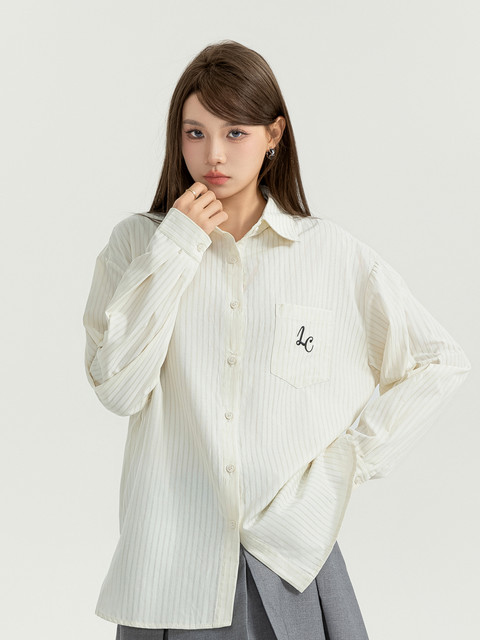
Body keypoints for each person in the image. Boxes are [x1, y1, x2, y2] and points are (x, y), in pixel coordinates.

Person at [82, 40, 471, 639]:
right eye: (195, 133)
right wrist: (179, 245)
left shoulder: (330, 256)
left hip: (286, 565)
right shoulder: (138, 245)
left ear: (274, 135)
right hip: (170, 573)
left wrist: (345, 464)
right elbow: (120, 389)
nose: (213, 154)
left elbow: (438, 361)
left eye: (235, 132)